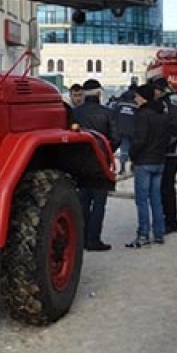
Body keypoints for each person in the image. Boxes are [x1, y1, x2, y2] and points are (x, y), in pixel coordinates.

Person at [72, 79, 120, 252]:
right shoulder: (108, 113)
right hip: (101, 164)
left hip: (80, 163)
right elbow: (116, 138)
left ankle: (81, 238)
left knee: (82, 202)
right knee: (99, 203)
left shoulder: (75, 113)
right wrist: (106, 152)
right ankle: (94, 239)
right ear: (99, 93)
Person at [125, 83, 169, 248]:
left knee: (142, 200)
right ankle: (159, 233)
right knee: (156, 199)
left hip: (144, 162)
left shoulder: (143, 114)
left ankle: (143, 234)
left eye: (137, 96)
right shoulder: (162, 114)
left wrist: (132, 155)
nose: (135, 98)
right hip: (159, 161)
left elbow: (140, 140)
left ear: (143, 97)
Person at [152, 77, 177, 234]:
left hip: (170, 152)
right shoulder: (171, 101)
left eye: (156, 90)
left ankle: (171, 222)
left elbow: (174, 128)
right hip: (171, 151)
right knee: (164, 187)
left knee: (166, 188)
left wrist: (164, 146)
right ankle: (168, 220)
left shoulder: (171, 103)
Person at [113, 83, 138, 176]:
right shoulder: (137, 102)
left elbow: (114, 115)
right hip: (134, 129)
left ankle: (122, 168)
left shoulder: (120, 101)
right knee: (135, 148)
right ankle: (133, 166)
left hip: (122, 129)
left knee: (124, 149)